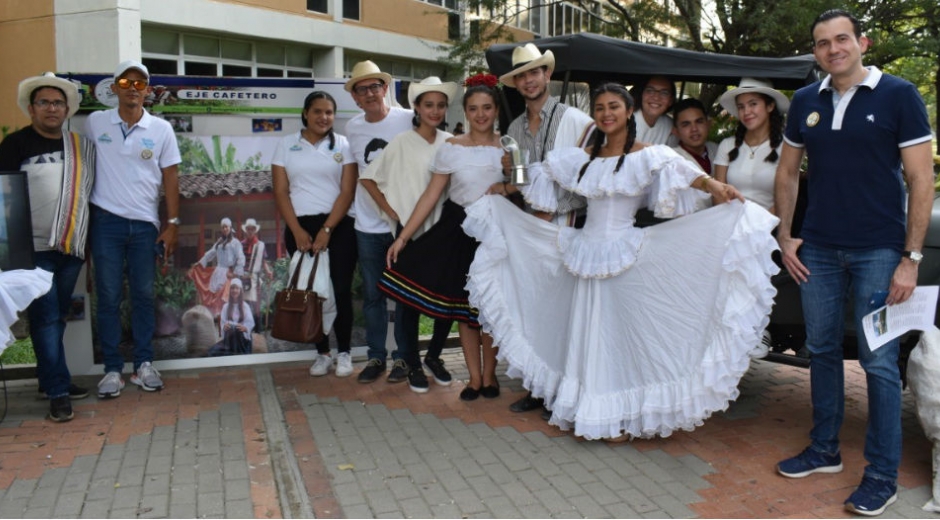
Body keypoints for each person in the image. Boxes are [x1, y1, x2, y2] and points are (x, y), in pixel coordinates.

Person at [462, 82, 780, 441]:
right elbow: (539, 176)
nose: (606, 113)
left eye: (614, 106)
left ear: (629, 111)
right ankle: (592, 411)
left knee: (617, 336)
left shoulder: (647, 154)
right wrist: (508, 182)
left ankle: (620, 415)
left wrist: (716, 187)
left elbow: (683, 172)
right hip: (584, 251)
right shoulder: (582, 158)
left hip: (624, 253)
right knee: (587, 331)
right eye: (600, 108)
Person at [773, 10, 934, 517]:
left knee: (879, 363)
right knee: (819, 348)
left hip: (879, 250)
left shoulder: (900, 95)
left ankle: (881, 475)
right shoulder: (805, 101)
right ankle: (824, 451)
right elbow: (788, 169)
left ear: (861, 42)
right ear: (815, 52)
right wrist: (786, 233)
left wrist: (910, 259)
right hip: (818, 247)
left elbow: (921, 181)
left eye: (841, 39)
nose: (833, 49)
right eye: (822, 43)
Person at [382, 76, 505, 401]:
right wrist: (404, 237)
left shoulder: (508, 147)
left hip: (496, 233)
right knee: (466, 310)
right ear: (465, 112)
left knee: (490, 308)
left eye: (487, 108)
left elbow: (523, 187)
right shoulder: (452, 148)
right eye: (474, 108)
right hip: (458, 231)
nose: (481, 115)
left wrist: (507, 186)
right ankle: (474, 379)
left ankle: (491, 377)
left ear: (495, 110)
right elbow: (431, 195)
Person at [497, 43, 595, 415]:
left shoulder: (573, 119)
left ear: (546, 75)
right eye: (521, 75)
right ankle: (538, 386)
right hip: (530, 231)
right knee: (534, 310)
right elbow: (521, 180)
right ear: (517, 83)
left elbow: (589, 172)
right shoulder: (514, 128)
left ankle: (566, 390)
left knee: (566, 313)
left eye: (534, 72)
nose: (528, 80)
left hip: (566, 227)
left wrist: (552, 207)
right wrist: (510, 176)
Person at [344, 61, 453, 386]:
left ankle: (406, 359)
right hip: (369, 224)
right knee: (374, 296)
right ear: (355, 97)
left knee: (409, 296)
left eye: (375, 86)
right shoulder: (352, 128)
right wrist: (388, 211)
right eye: (362, 89)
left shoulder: (408, 119)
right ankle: (378, 355)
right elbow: (362, 176)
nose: (370, 93)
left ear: (385, 89)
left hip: (412, 230)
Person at [0, 73, 96, 421]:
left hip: (70, 246)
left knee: (55, 316)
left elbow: (89, 197)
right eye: (44, 103)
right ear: (31, 109)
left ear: (67, 109)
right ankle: (57, 392)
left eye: (57, 103)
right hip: (32, 250)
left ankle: (49, 379)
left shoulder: (81, 147)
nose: (51, 109)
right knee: (45, 319)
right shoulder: (14, 145)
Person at [86, 60, 181, 397]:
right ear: (115, 88)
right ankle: (112, 370)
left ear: (147, 90)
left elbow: (171, 178)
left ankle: (143, 365)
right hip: (106, 224)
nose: (133, 88)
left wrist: (172, 224)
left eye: (140, 83)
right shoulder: (96, 123)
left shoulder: (161, 130)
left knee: (143, 297)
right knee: (108, 297)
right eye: (126, 82)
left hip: (145, 226)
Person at [272, 90, 357, 378]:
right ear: (306, 114)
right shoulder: (285, 145)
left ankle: (344, 352)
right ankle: (322, 352)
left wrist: (328, 229)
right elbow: (281, 192)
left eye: (329, 112)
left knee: (340, 291)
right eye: (318, 111)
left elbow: (347, 192)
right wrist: (297, 230)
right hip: (300, 229)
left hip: (338, 226)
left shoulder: (344, 145)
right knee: (309, 292)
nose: (324, 117)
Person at [714, 77, 789, 213]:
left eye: (753, 104)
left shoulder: (786, 147)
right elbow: (718, 194)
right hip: (729, 225)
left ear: (770, 106)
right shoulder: (727, 145)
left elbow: (784, 199)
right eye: (741, 107)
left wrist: (758, 227)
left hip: (768, 227)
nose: (746, 112)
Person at [191, 217, 245, 315]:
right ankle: (219, 319)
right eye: (223, 227)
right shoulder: (219, 242)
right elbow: (210, 253)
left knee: (227, 298)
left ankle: (228, 320)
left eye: (226, 227)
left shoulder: (235, 242)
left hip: (229, 273)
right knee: (216, 297)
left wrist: (236, 273)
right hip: (218, 272)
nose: (225, 229)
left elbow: (241, 258)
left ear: (230, 227)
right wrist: (199, 263)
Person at [670, 98, 718, 175]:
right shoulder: (671, 159)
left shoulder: (717, 150)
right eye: (686, 124)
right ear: (676, 131)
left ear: (708, 124)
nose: (694, 129)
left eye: (699, 122)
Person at [207, 278, 254, 356]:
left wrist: (245, 328)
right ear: (230, 290)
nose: (234, 290)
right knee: (211, 353)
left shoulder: (245, 306)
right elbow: (223, 322)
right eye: (232, 288)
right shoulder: (226, 306)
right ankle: (233, 352)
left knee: (236, 330)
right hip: (230, 339)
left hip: (242, 340)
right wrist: (224, 326)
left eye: (237, 288)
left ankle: (236, 353)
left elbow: (250, 322)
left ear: (240, 290)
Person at [240, 217, 269, 327]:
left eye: (252, 229)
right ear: (246, 230)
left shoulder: (261, 245)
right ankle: (245, 328)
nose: (250, 231)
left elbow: (263, 261)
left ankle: (258, 329)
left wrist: (268, 272)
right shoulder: (241, 244)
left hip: (255, 278)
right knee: (244, 305)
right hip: (243, 278)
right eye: (248, 229)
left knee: (256, 305)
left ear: (255, 230)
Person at [634, 75, 678, 146]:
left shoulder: (670, 125)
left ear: (671, 101)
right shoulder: (624, 122)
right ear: (642, 94)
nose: (656, 97)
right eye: (650, 91)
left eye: (664, 93)